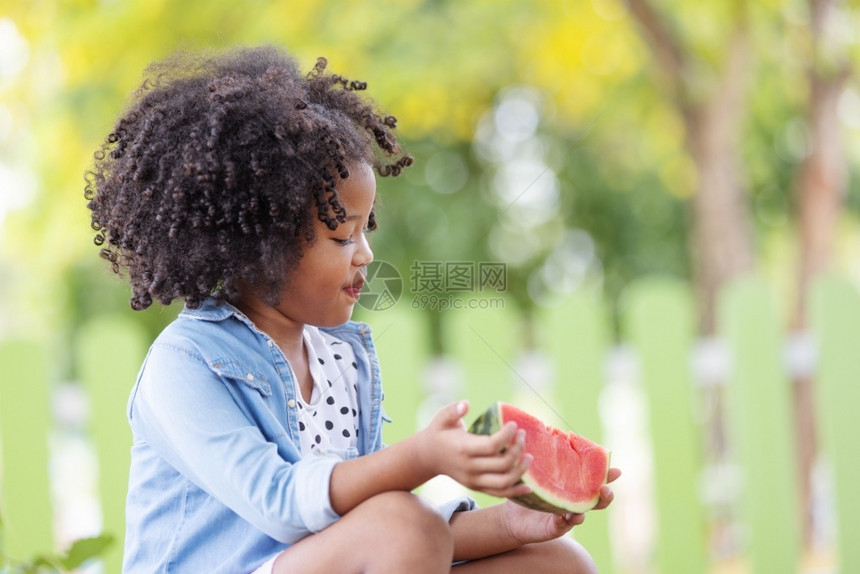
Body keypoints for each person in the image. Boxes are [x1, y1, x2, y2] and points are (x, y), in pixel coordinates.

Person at [85, 45, 620, 574]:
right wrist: (423, 457)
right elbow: (282, 504)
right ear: (259, 247)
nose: (365, 254)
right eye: (343, 236)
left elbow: (375, 527)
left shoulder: (341, 362)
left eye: (366, 230)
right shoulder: (184, 364)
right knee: (398, 522)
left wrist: (513, 526)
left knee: (556, 562)